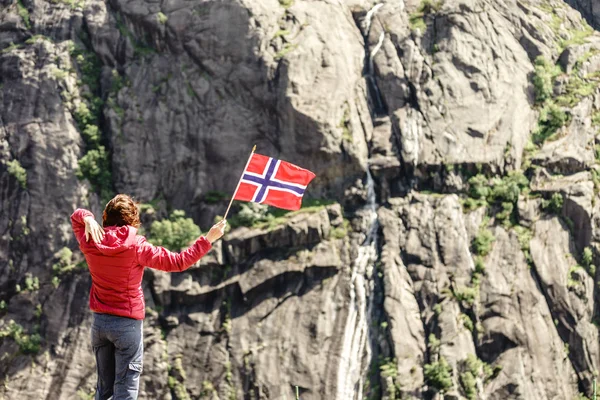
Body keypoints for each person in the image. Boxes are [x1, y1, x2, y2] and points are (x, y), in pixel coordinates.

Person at [70, 194, 227, 400]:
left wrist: (87, 217)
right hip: (127, 326)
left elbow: (75, 217)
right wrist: (207, 240)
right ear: (133, 219)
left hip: (99, 324)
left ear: (106, 216)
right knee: (125, 391)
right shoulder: (137, 246)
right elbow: (178, 262)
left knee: (104, 391)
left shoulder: (90, 240)